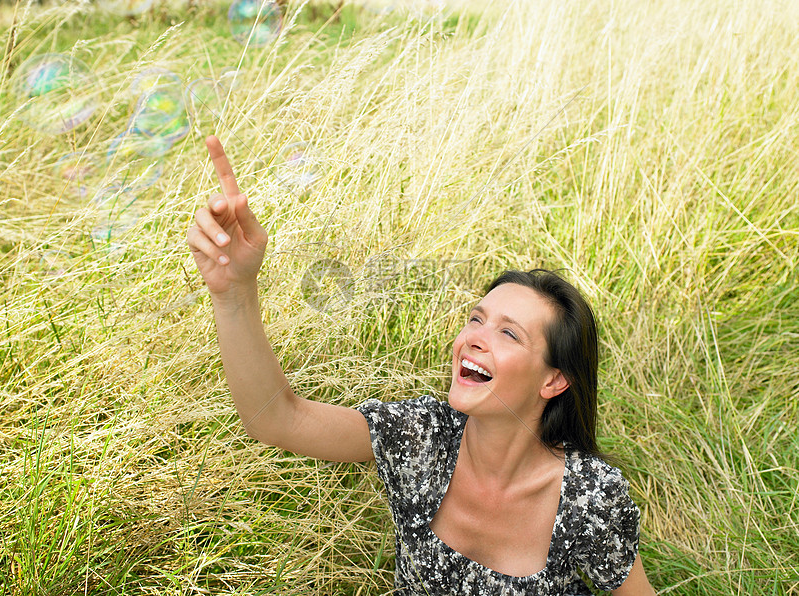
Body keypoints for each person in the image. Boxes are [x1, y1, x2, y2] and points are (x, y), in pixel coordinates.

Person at [187, 136, 656, 595]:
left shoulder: (587, 498)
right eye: (477, 319)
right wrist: (234, 294)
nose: (474, 337)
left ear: (554, 380)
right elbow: (276, 418)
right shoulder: (422, 437)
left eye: (508, 333)